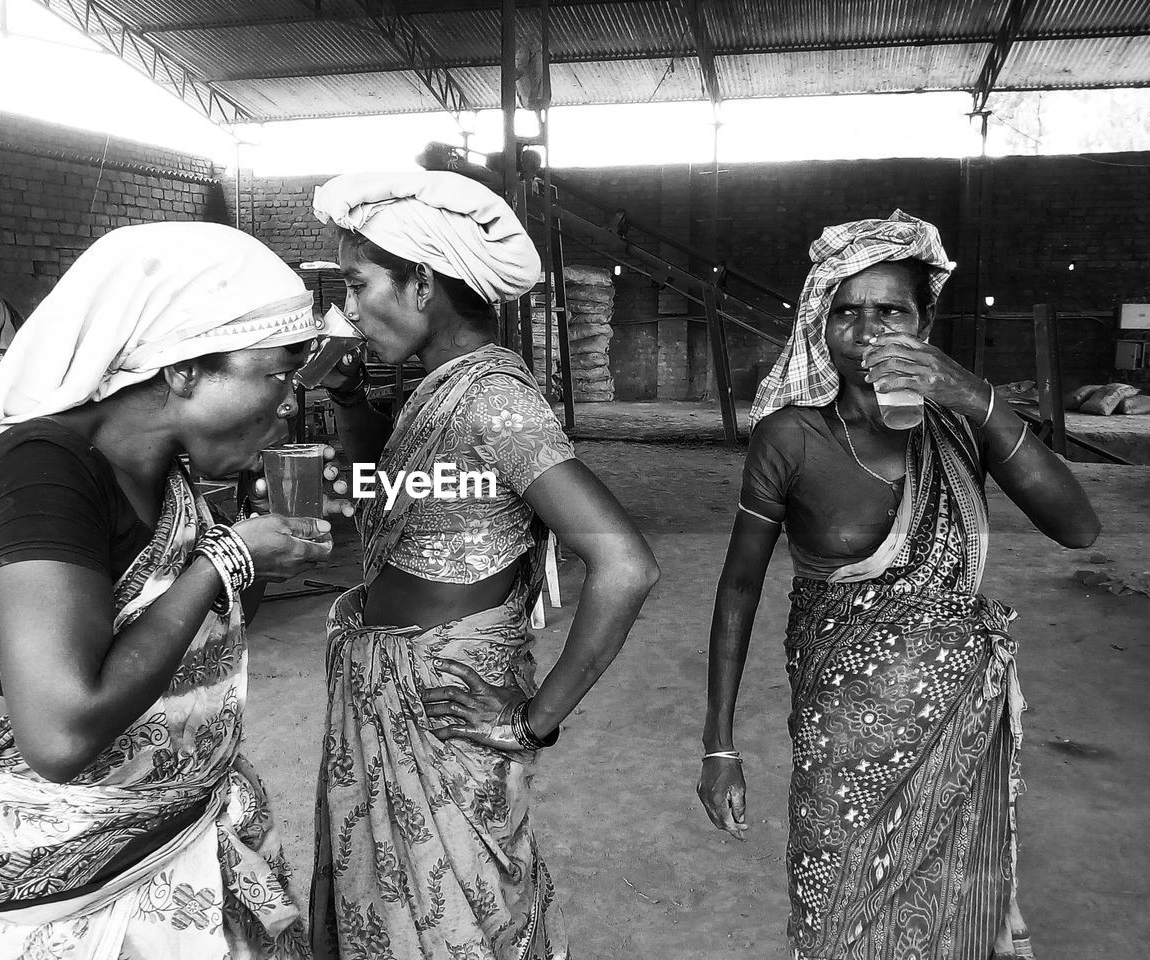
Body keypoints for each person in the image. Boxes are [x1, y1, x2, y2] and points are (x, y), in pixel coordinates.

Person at [0, 221, 349, 959]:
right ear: (182, 369)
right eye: (275, 375)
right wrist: (228, 558)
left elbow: (195, 638)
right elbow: (60, 735)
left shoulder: (162, 469)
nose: (290, 405)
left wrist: (260, 549)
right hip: (62, 873)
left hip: (172, 821)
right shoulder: (39, 474)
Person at [697, 211, 1099, 960]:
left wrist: (976, 397)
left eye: (891, 311)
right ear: (821, 322)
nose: (867, 331)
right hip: (838, 743)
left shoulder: (962, 422)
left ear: (926, 319)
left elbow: (1078, 529)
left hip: (957, 726)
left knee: (954, 910)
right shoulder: (791, 437)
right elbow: (737, 592)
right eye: (846, 311)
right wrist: (718, 745)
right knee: (836, 914)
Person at [306, 171, 660, 959]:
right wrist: (354, 404)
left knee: (457, 920)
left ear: (423, 283)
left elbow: (624, 564)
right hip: (395, 695)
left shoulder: (492, 401)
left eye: (359, 285)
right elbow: (390, 501)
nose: (351, 308)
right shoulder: (439, 392)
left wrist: (537, 721)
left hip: (443, 711)